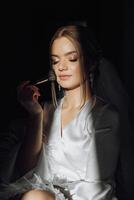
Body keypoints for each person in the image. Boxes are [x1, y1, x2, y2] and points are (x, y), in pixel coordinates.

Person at [0, 24, 120, 200]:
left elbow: (97, 188)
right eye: (55, 61)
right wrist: (36, 115)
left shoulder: (105, 116)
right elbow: (25, 171)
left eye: (71, 59)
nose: (61, 67)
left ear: (91, 62)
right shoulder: (48, 110)